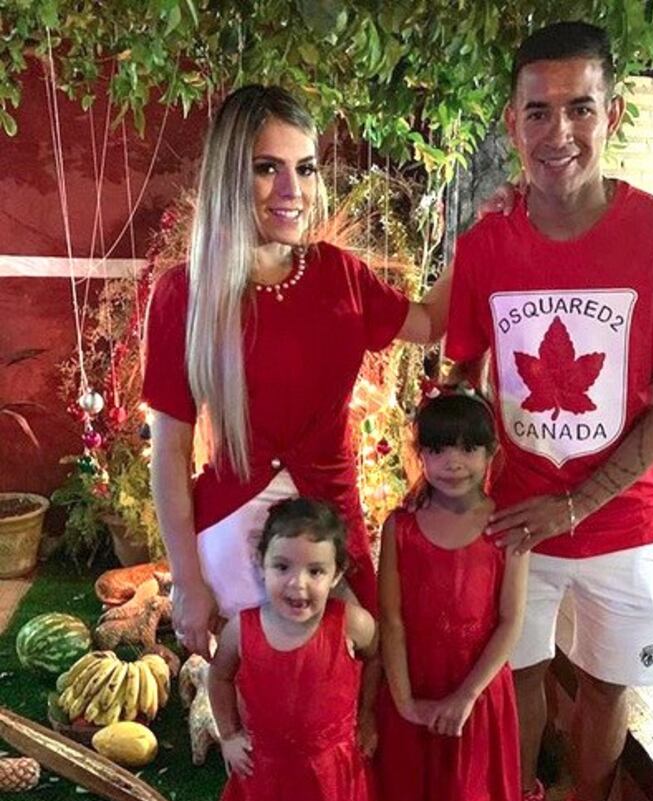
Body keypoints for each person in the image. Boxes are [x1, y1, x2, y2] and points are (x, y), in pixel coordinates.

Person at [446, 21, 653, 801]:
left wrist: (579, 501)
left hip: (622, 519)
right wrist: (455, 475)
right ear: (512, 121)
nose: (557, 131)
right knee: (517, 676)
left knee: (606, 681)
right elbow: (464, 372)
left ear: (612, 114)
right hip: (515, 518)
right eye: (538, 111)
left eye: (579, 108)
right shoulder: (486, 245)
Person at [143, 84, 448, 669]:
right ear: (230, 177)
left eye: (304, 168)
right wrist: (186, 579)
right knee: (260, 701)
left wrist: (490, 233)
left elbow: (430, 322)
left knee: (356, 684)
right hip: (234, 535)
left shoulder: (339, 275)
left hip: (332, 522)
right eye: (267, 168)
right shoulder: (185, 293)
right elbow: (170, 450)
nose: (293, 190)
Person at [375, 389, 528, 801]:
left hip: (475, 689)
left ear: (490, 454)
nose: (452, 462)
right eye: (437, 449)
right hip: (410, 681)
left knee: (463, 787)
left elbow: (509, 621)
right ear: (420, 454)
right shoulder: (400, 528)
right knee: (403, 781)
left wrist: (465, 696)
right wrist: (401, 700)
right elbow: (391, 619)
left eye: (467, 448)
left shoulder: (508, 530)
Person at [206, 497, 385, 801]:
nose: (297, 584)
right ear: (260, 563)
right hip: (268, 779)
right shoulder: (241, 631)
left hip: (332, 779)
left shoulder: (352, 624)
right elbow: (219, 676)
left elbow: (376, 658)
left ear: (337, 574)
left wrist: (366, 716)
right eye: (282, 566)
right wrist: (229, 735)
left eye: (315, 571)